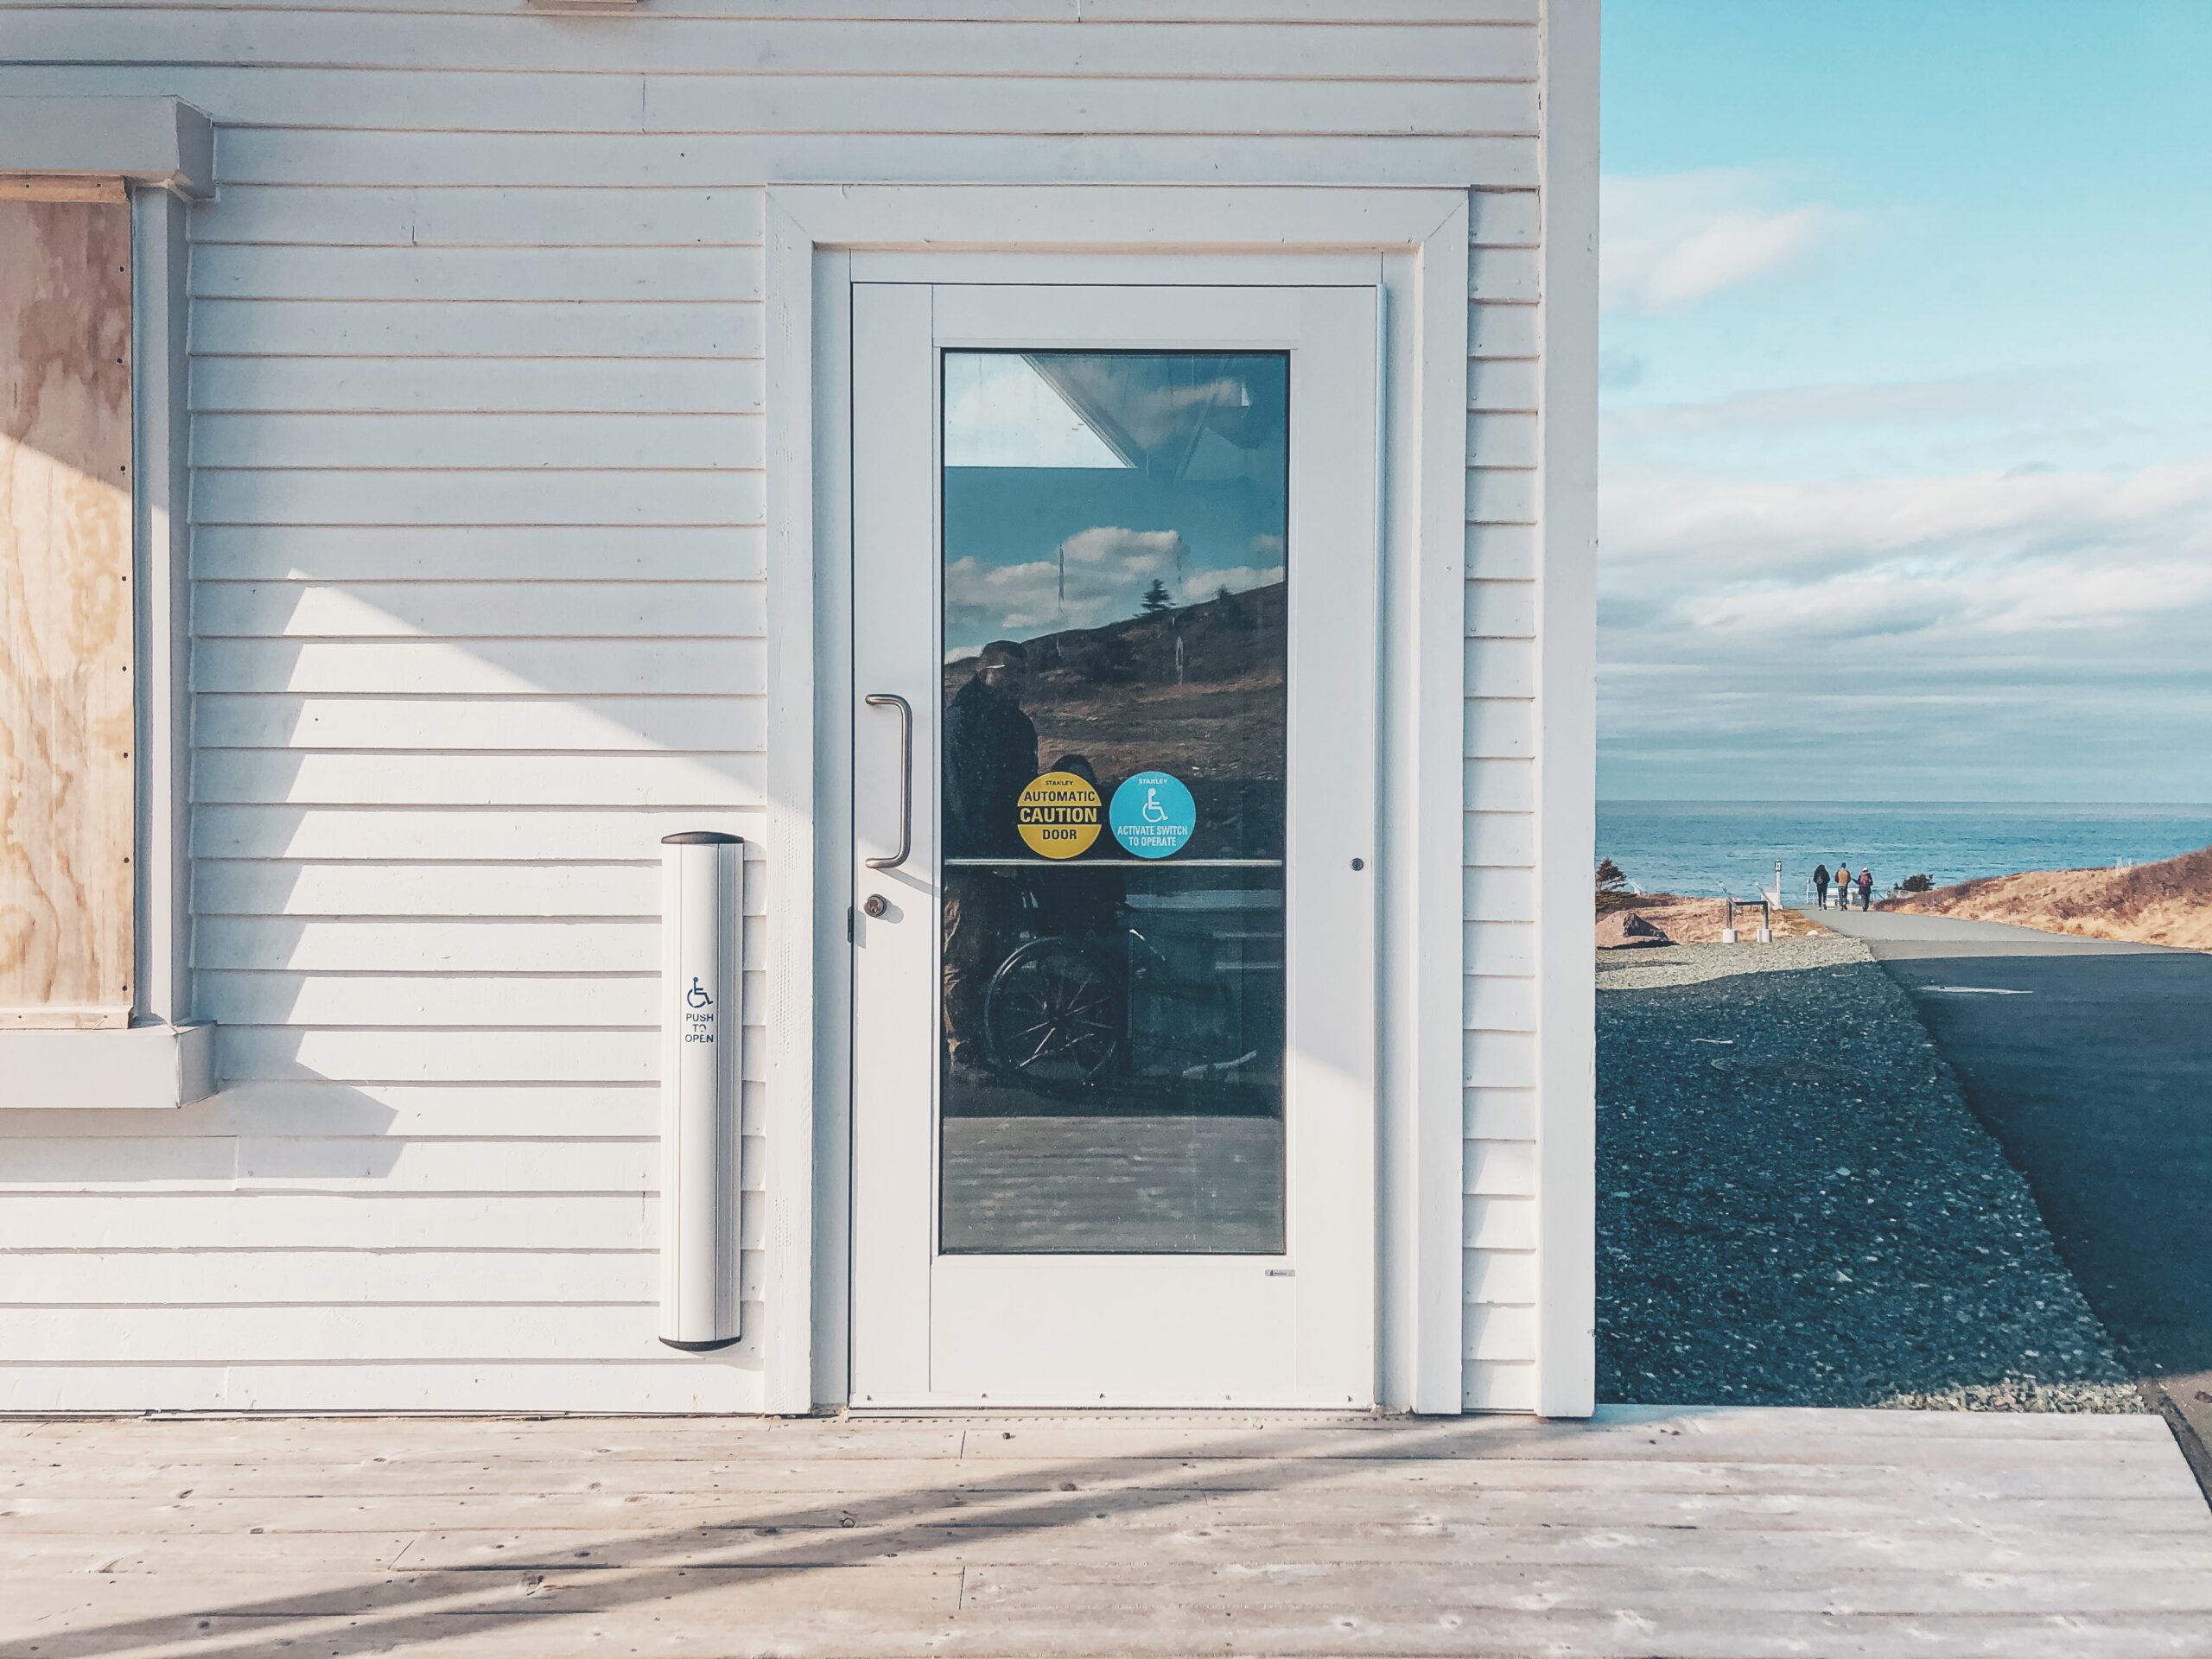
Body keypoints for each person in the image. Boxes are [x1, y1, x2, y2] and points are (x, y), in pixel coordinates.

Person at [941, 640, 1040, 1083]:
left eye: (1024, 672)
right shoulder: (963, 719)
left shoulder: (1017, 724)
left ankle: (986, 1045)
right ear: (986, 672)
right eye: (1010, 671)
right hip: (971, 860)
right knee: (963, 956)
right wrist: (988, 855)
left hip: (1005, 856)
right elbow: (962, 795)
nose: (1019, 681)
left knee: (995, 956)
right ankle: (962, 1051)